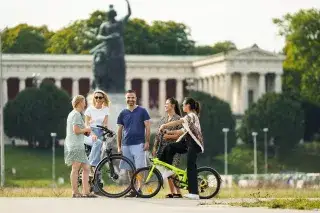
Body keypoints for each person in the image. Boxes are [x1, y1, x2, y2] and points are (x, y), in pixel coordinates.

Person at [159, 97, 204, 200]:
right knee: (170, 147)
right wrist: (168, 132)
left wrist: (164, 125)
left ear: (188, 106)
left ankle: (194, 193)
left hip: (194, 144)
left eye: (183, 104)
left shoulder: (191, 116)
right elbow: (182, 131)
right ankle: (168, 169)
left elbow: (178, 122)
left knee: (191, 166)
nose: (182, 106)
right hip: (187, 143)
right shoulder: (189, 118)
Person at [117, 89, 151, 198]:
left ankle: (139, 189)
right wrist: (118, 146)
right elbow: (119, 130)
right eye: (128, 97)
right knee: (129, 168)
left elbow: (148, 127)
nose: (130, 99)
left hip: (139, 143)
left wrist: (147, 142)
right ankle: (133, 189)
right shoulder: (122, 113)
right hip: (126, 144)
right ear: (126, 99)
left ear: (136, 99)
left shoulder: (142, 111)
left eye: (132, 97)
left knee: (139, 168)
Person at [64, 95, 97, 198]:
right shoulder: (75, 115)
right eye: (84, 102)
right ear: (79, 103)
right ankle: (75, 192)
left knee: (86, 168)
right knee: (75, 168)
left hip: (78, 144)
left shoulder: (76, 114)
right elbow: (76, 130)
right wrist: (86, 130)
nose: (85, 104)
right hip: (75, 145)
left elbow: (81, 130)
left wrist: (86, 131)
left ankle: (86, 192)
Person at [152, 98, 183, 198]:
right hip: (163, 149)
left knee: (173, 170)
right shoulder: (163, 119)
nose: (165, 105)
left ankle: (178, 192)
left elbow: (181, 135)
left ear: (173, 106)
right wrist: (154, 147)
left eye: (167, 104)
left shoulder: (178, 119)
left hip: (174, 148)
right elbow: (158, 135)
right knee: (167, 170)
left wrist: (169, 137)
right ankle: (173, 192)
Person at [84, 90, 110, 169]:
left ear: (103, 99)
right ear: (94, 99)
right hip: (90, 132)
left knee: (104, 150)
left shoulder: (106, 109)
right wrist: (93, 134)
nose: (98, 99)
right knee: (98, 143)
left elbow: (105, 124)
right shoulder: (89, 109)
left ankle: (96, 173)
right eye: (96, 97)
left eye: (100, 97)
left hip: (101, 132)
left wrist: (107, 131)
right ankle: (91, 165)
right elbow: (87, 124)